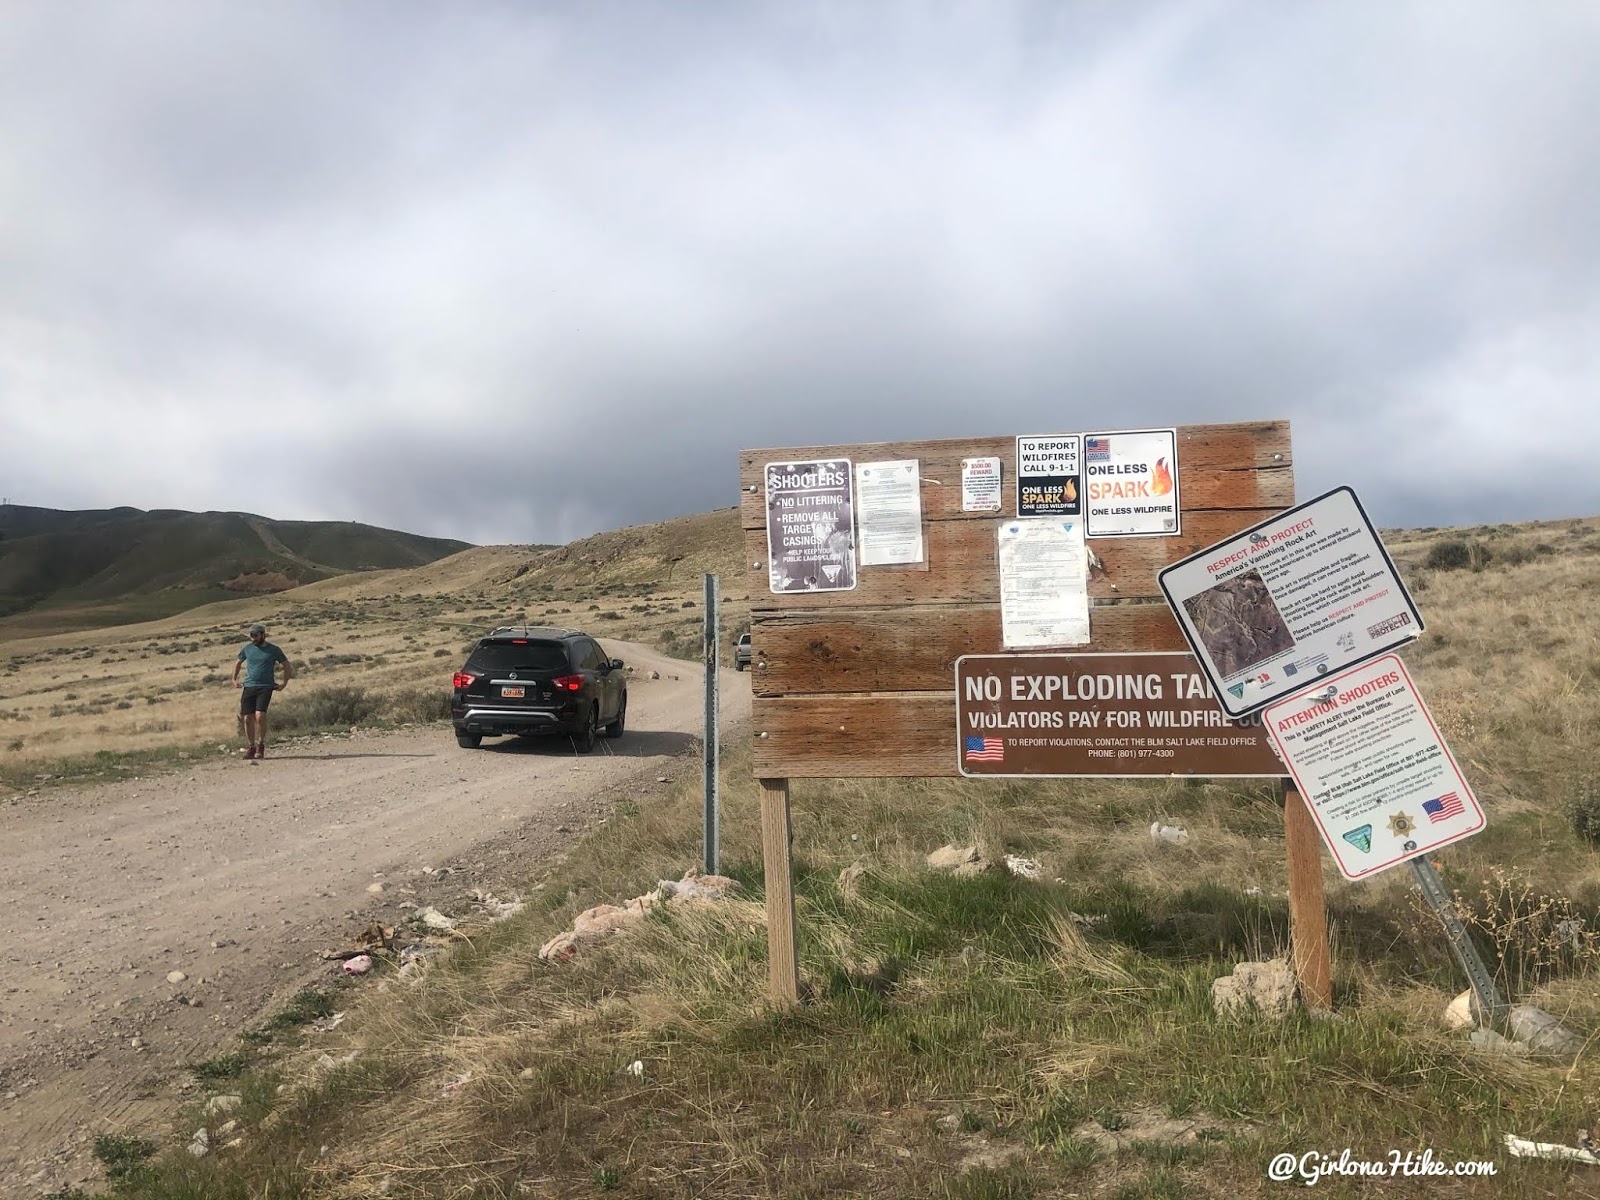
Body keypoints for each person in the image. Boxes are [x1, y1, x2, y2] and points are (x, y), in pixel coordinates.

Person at [232, 623, 292, 760]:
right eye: (251, 636)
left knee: (260, 716)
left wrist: (284, 683)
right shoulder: (247, 649)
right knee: (247, 718)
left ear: (263, 635)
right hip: (249, 686)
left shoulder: (274, 650)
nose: (253, 638)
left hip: (266, 686)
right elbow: (238, 662)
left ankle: (261, 744)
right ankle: (251, 747)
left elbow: (286, 665)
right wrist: (234, 679)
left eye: (256, 635)